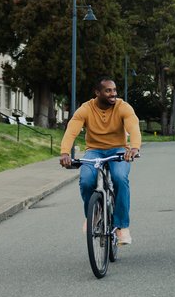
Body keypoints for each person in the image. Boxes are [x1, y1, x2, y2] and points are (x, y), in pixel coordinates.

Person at [59, 77, 142, 245]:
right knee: (86, 180)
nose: (113, 94)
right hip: (94, 151)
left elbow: (133, 126)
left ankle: (121, 226)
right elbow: (72, 131)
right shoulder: (86, 109)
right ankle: (93, 214)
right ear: (97, 93)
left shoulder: (122, 107)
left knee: (119, 178)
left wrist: (134, 148)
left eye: (114, 90)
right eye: (108, 91)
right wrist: (65, 152)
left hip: (119, 148)